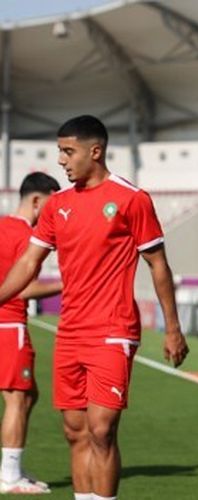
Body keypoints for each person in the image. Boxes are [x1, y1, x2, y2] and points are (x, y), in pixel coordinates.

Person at [0, 115, 189, 500]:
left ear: (95, 151)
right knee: (75, 430)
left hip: (113, 330)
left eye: (68, 152)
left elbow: (158, 265)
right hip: (70, 332)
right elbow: (28, 263)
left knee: (101, 430)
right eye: (60, 152)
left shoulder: (132, 199)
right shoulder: (57, 206)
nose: (62, 161)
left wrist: (173, 328)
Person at [0, 173, 62, 494]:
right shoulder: (26, 235)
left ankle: (12, 468)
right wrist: (68, 283)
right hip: (8, 325)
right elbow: (22, 289)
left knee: (27, 396)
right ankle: (9, 476)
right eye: (53, 203)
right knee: (17, 398)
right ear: (38, 201)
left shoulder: (1, 226)